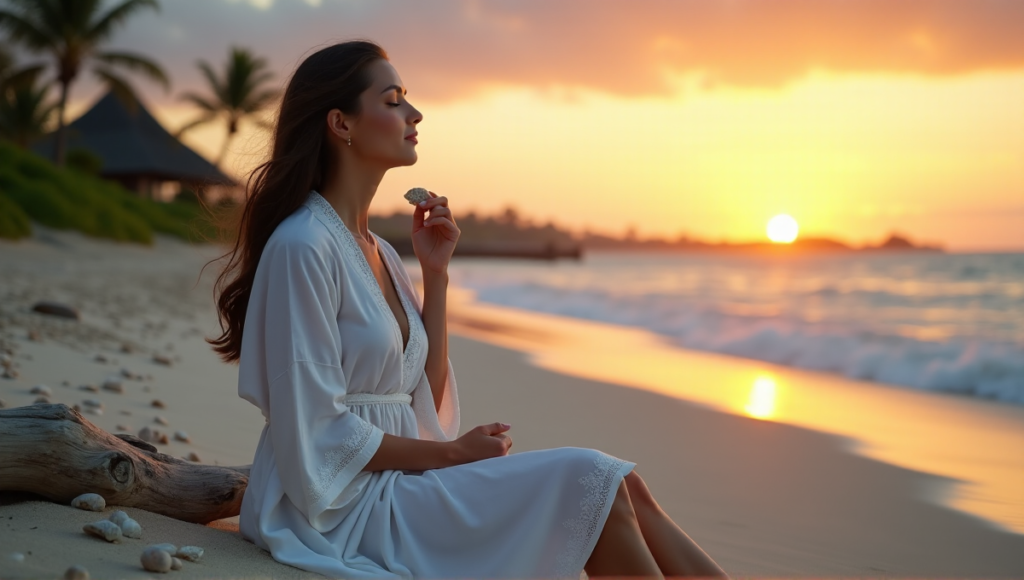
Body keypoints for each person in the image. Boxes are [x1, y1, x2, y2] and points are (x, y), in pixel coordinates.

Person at [209, 40, 727, 579]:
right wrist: (454, 454)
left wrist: (436, 277)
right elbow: (315, 430)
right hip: (339, 508)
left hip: (399, 480)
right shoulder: (303, 246)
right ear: (340, 123)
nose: (415, 114)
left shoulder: (380, 250)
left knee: (620, 484)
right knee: (586, 478)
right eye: (393, 100)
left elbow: (422, 401)